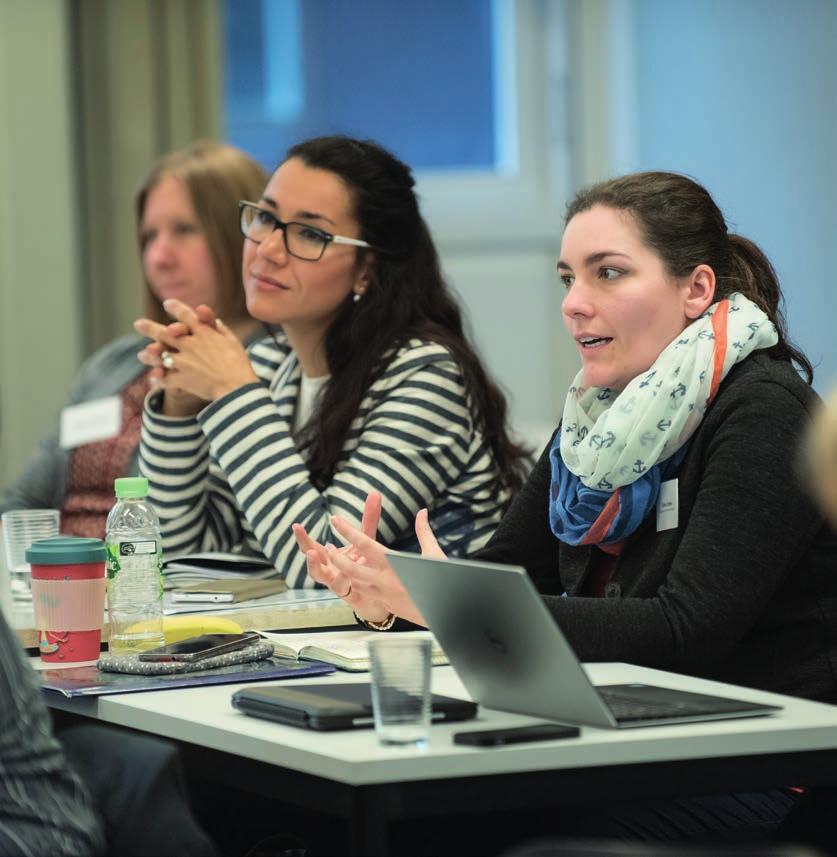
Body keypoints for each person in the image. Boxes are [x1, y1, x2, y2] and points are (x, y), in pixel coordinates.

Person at [294, 171, 837, 844]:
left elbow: (683, 631)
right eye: (566, 279)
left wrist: (443, 603)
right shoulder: (598, 420)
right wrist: (389, 597)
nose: (574, 303)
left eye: (607, 273)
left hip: (756, 770)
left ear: (695, 289)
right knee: (341, 816)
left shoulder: (761, 409)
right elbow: (503, 578)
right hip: (617, 743)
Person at [136, 135, 529, 588]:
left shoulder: (426, 376)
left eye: (309, 234)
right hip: (313, 646)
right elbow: (187, 560)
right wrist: (177, 413)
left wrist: (233, 392)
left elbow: (330, 571)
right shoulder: (269, 365)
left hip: (425, 651)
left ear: (367, 268)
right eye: (265, 218)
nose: (267, 250)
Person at [0, 141, 268, 539]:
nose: (159, 257)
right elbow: (24, 502)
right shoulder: (113, 363)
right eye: (149, 236)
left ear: (239, 237)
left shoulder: (269, 366)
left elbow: (199, 533)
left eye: (184, 230)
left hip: (151, 583)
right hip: (58, 583)